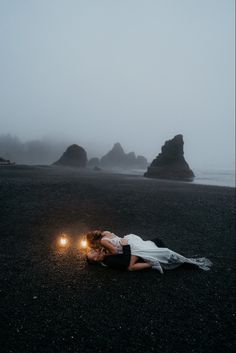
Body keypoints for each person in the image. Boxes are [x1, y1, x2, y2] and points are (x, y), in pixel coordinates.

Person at [86, 230, 212, 273]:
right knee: (149, 249)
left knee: (132, 265)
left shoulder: (103, 243)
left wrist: (108, 253)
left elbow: (114, 250)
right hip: (129, 239)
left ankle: (155, 263)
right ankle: (159, 260)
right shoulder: (106, 233)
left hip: (129, 245)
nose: (93, 249)